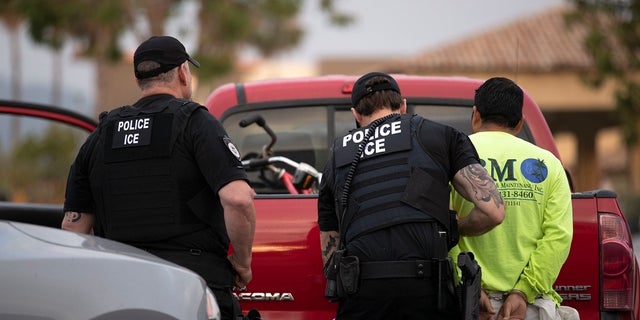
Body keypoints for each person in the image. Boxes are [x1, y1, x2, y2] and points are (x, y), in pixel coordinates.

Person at [61, 35, 256, 320]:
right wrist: (242, 263)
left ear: (140, 79)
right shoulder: (195, 122)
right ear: (182, 73)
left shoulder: (102, 134)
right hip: (192, 285)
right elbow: (238, 199)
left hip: (120, 287)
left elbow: (73, 227)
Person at [317, 72, 506, 319]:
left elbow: (330, 255)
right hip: (427, 290)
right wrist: (457, 229)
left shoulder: (337, 155)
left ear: (356, 114)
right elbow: (494, 211)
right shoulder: (439, 134)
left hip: (364, 293)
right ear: (403, 105)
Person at [450, 77, 574, 320]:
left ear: (475, 115)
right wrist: (523, 291)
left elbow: (440, 228)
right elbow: (559, 236)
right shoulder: (548, 164)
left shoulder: (451, 157)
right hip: (527, 308)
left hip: (470, 305)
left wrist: (470, 285)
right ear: (519, 124)